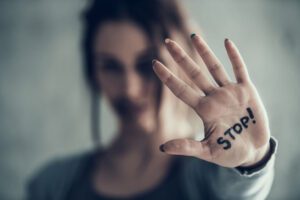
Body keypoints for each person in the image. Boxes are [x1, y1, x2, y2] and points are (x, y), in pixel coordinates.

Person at [26, 0, 277, 199]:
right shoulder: (51, 186)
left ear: (182, 62)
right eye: (111, 66)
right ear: (93, 72)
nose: (129, 89)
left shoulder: (209, 178)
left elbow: (239, 191)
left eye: (147, 65)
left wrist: (252, 161)